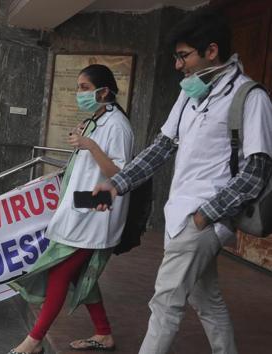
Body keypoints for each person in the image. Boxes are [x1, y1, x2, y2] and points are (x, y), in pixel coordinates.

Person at [93, 8, 272, 354]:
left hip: (201, 219)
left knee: (165, 305)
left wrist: (205, 215)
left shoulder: (252, 98)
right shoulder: (190, 94)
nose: (178, 65)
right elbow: (161, 149)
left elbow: (256, 171)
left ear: (212, 50)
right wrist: (116, 184)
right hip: (181, 215)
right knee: (207, 300)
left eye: (183, 56)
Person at [8, 64, 134, 354]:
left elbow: (119, 173)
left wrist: (90, 145)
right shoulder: (97, 119)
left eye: (84, 88)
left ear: (104, 91)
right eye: (79, 87)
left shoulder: (118, 126)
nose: (79, 94)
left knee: (61, 273)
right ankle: (103, 333)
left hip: (97, 213)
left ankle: (34, 341)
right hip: (81, 209)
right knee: (79, 274)